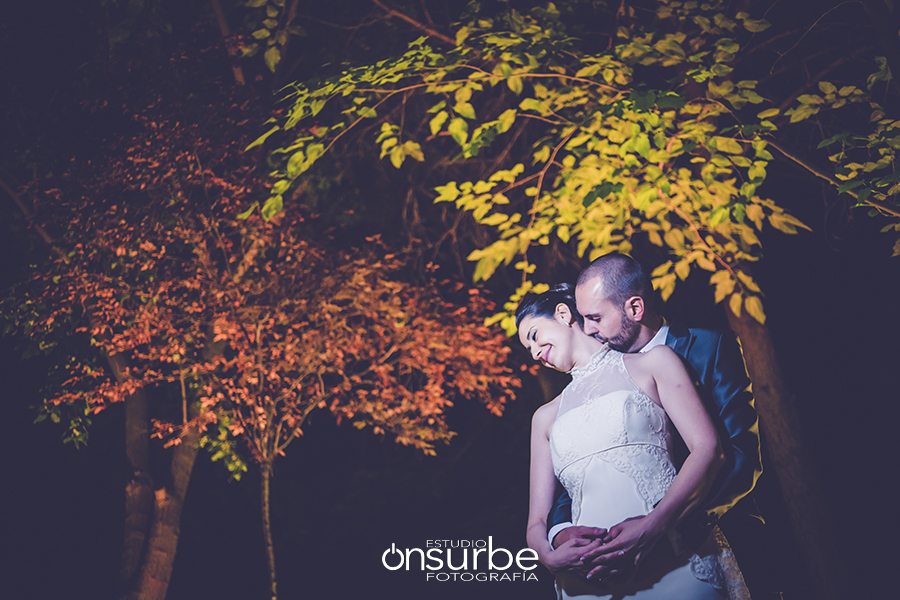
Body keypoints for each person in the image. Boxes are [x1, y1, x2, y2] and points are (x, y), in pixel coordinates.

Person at [520, 283, 750, 599]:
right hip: (588, 581)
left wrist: (654, 525)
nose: (534, 353)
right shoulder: (544, 418)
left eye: (534, 336)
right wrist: (549, 557)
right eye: (528, 349)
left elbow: (707, 448)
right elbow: (536, 521)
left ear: (562, 314)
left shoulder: (654, 363)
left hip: (671, 554)